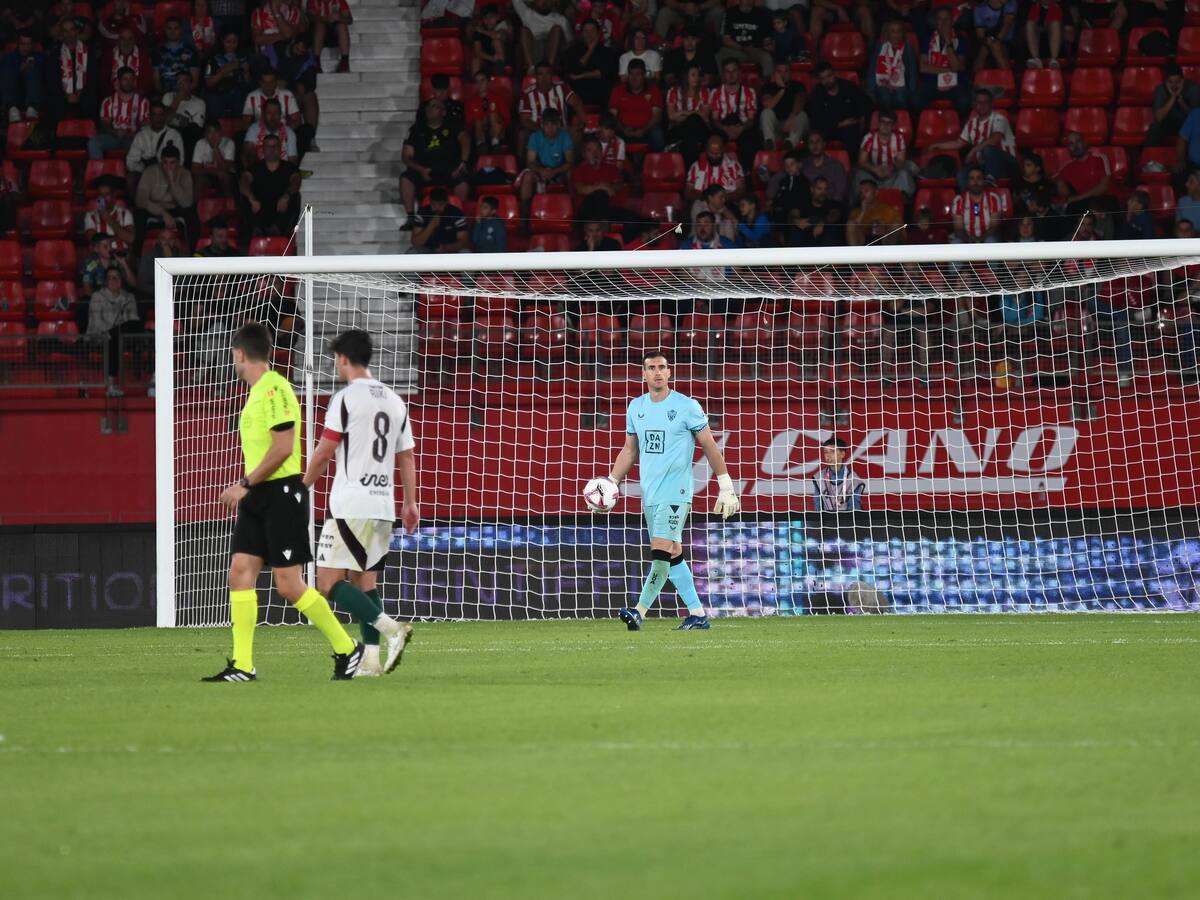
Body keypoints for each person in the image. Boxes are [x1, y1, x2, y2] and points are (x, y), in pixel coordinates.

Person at [204, 322, 365, 682]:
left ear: (240, 353)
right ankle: (243, 665)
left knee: (289, 585)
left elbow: (283, 448)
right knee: (240, 573)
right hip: (259, 494)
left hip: (280, 494)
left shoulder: (275, 388)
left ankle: (347, 648)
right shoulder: (257, 393)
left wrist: (244, 483)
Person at [302, 329, 417, 677]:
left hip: (351, 504)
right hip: (384, 505)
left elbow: (325, 451)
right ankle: (370, 661)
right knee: (365, 583)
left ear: (343, 359)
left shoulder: (345, 398)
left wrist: (301, 487)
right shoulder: (394, 400)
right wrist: (411, 503)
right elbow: (406, 456)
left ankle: (391, 629)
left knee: (326, 583)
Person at [598, 351, 740, 631]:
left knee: (660, 552)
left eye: (662, 367)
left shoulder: (687, 406)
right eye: (651, 368)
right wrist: (612, 481)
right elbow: (630, 450)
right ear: (643, 374)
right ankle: (698, 614)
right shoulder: (636, 407)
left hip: (676, 492)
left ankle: (639, 611)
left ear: (669, 372)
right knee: (673, 552)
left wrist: (725, 486)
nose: (658, 372)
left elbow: (709, 445)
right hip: (650, 494)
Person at [399, 97, 471, 227]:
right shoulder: (416, 129)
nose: (429, 109)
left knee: (462, 180)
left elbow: (465, 140)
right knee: (406, 178)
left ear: (443, 112)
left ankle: (458, 218)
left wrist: (463, 162)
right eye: (428, 106)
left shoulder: (452, 126)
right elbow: (406, 156)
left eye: (434, 106)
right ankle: (411, 218)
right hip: (424, 172)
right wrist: (420, 170)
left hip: (448, 171)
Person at [928, 89, 1016, 189]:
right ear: (974, 104)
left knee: (988, 149)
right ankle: (970, 198)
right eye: (979, 102)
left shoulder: (1000, 119)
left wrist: (973, 150)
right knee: (961, 175)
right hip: (982, 165)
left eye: (985, 102)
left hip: (1005, 163)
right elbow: (958, 143)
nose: (982, 105)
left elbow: (994, 139)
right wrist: (937, 145)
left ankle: (991, 179)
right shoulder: (971, 123)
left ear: (991, 104)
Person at [86, 265, 141, 394]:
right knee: (112, 340)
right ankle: (110, 386)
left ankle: (153, 380)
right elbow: (97, 322)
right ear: (106, 281)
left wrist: (116, 331)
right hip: (99, 336)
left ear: (121, 281)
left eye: (116, 278)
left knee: (135, 328)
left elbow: (132, 319)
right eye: (110, 278)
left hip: (122, 336)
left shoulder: (128, 297)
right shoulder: (97, 297)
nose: (113, 281)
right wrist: (110, 332)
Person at [517, 107, 574, 226]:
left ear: (559, 125)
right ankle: (524, 218)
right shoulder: (535, 137)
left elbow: (570, 162)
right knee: (527, 177)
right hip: (541, 170)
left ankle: (572, 213)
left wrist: (555, 171)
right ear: (542, 125)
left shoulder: (565, 137)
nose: (550, 128)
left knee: (571, 174)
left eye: (553, 124)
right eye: (547, 125)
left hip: (559, 171)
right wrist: (541, 170)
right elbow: (530, 162)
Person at [134, 145, 198, 247]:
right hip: (154, 208)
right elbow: (141, 200)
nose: (168, 167)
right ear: (161, 161)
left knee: (192, 214)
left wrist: (172, 182)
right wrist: (162, 212)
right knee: (139, 213)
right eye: (165, 163)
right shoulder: (150, 172)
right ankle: (138, 253)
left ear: (178, 162)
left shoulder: (185, 174)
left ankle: (192, 252)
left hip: (175, 208)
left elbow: (187, 203)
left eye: (172, 163)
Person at [1055, 131, 1117, 235]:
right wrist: (1060, 184)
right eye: (1071, 144)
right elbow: (1062, 191)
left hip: (1104, 200)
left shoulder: (1100, 158)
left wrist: (1078, 198)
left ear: (1084, 142)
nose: (1075, 146)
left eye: (1078, 141)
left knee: (1094, 204)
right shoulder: (1067, 167)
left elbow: (1104, 187)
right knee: (1069, 209)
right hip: (1083, 205)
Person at [239, 133, 302, 235]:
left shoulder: (289, 167)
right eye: (268, 146)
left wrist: (286, 196)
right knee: (244, 196)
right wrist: (251, 198)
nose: (271, 149)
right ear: (263, 149)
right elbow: (243, 181)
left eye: (275, 146)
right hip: (259, 209)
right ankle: (256, 230)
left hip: (280, 209)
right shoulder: (255, 168)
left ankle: (278, 229)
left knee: (295, 196)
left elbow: (296, 180)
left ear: (280, 149)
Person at [517, 61, 584, 156]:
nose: (544, 78)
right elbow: (524, 120)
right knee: (522, 134)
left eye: (547, 73)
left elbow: (577, 103)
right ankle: (522, 164)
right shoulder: (527, 94)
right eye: (540, 74)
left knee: (576, 133)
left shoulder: (561, 87)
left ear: (552, 75)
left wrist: (582, 121)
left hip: (561, 129)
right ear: (535, 76)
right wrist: (542, 130)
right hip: (537, 129)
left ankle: (574, 164)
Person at [806, 62, 868, 157]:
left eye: (829, 76)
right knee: (816, 134)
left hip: (848, 127)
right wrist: (840, 124)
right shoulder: (817, 93)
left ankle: (850, 162)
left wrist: (861, 121)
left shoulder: (848, 87)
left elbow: (861, 107)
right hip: (828, 128)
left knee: (852, 132)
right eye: (823, 78)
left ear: (835, 74)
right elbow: (818, 120)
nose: (827, 80)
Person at [45, 16, 100, 123]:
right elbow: (52, 82)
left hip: (85, 96)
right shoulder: (55, 55)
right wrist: (66, 96)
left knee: (92, 99)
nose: (69, 34)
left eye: (72, 30)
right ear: (62, 34)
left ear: (77, 31)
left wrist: (81, 93)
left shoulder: (89, 53)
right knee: (53, 102)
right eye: (65, 31)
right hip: (62, 98)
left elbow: (94, 79)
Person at [125, 100, 185, 194]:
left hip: (166, 173)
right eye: (155, 115)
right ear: (150, 117)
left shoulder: (174, 135)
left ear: (165, 116)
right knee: (130, 179)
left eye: (161, 114)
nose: (158, 118)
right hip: (144, 172)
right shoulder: (141, 135)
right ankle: (137, 203)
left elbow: (180, 161)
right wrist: (145, 169)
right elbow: (130, 161)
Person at [88, 66, 148, 160]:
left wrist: (130, 134)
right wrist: (115, 132)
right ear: (118, 82)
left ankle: (136, 168)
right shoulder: (108, 101)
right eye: (125, 79)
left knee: (145, 144)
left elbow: (145, 127)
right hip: (113, 137)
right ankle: (99, 169)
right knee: (93, 143)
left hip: (132, 138)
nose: (128, 82)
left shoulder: (142, 102)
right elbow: (104, 125)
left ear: (134, 81)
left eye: (131, 79)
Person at [855, 109, 917, 197]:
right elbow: (862, 161)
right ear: (878, 123)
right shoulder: (869, 137)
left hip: (892, 172)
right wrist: (875, 169)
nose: (885, 125)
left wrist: (892, 168)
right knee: (859, 174)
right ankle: (861, 202)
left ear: (893, 125)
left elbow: (900, 160)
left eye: (889, 123)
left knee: (904, 173)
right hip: (873, 172)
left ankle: (901, 201)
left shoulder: (899, 138)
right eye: (883, 122)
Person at [918, 6, 968, 113]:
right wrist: (949, 70)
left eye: (947, 19)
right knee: (916, 99)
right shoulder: (927, 38)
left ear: (952, 21)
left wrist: (948, 42)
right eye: (940, 19)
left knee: (964, 100)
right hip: (932, 81)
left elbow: (957, 67)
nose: (943, 23)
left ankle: (955, 121)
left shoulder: (961, 39)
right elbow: (923, 67)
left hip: (954, 83)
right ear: (935, 22)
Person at [711, 59, 760, 167]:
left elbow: (751, 120)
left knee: (751, 142)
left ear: (739, 72)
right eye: (727, 71)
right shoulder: (716, 93)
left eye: (734, 71)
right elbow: (715, 119)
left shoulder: (749, 92)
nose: (731, 75)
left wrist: (740, 129)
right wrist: (725, 128)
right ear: (723, 74)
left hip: (743, 127)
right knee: (713, 140)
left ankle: (746, 171)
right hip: (723, 127)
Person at [607, 58, 663, 151]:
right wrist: (622, 129)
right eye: (631, 74)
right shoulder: (618, 90)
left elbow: (657, 117)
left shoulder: (653, 90)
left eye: (638, 74)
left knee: (658, 135)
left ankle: (654, 159)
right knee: (609, 130)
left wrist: (644, 130)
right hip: (623, 129)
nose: (634, 78)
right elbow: (612, 116)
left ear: (644, 75)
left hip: (647, 129)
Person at [563, 18, 618, 109]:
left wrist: (581, 76)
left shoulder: (607, 52)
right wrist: (590, 51)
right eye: (586, 31)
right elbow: (574, 71)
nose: (589, 34)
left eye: (592, 31)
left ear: (598, 33)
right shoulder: (572, 51)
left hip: (601, 93)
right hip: (579, 94)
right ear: (581, 33)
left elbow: (605, 73)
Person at [666, 64, 715, 163]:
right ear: (685, 77)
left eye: (698, 75)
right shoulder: (673, 91)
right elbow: (671, 116)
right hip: (679, 129)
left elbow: (705, 115)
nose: (696, 78)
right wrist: (695, 113)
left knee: (694, 120)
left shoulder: (705, 92)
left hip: (700, 130)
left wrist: (683, 113)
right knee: (693, 121)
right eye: (693, 75)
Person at [866, 20, 916, 113]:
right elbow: (872, 68)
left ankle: (902, 120)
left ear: (902, 33)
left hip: (902, 85)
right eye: (893, 31)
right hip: (882, 84)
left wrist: (912, 91)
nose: (896, 35)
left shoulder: (908, 49)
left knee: (900, 98)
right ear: (888, 34)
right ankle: (886, 120)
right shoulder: (880, 47)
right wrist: (870, 90)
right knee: (885, 96)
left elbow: (912, 72)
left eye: (899, 31)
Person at [571, 135, 624, 222]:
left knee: (633, 218)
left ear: (602, 151)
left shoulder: (611, 168)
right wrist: (602, 187)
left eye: (597, 150)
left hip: (609, 209)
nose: (594, 154)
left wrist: (611, 187)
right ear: (584, 154)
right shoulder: (579, 170)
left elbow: (620, 186)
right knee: (599, 195)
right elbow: (580, 189)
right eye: (590, 150)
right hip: (586, 212)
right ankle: (603, 225)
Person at [685, 132, 747, 206]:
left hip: (728, 203)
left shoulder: (734, 166)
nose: (714, 157)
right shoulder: (697, 167)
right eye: (711, 153)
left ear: (723, 150)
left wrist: (721, 199)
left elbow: (741, 190)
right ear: (706, 150)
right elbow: (688, 192)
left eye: (717, 154)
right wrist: (707, 199)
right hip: (704, 204)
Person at [717, 0, 774, 76]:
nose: (748, 1)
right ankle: (721, 82)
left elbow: (766, 38)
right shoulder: (730, 12)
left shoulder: (760, 13)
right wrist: (742, 48)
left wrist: (768, 45)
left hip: (754, 50)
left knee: (766, 57)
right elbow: (725, 40)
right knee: (718, 56)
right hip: (735, 49)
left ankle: (769, 83)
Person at [205, 30, 252, 120]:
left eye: (234, 42)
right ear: (223, 41)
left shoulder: (242, 57)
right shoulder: (213, 58)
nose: (231, 45)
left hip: (237, 94)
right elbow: (208, 83)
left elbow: (248, 83)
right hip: (218, 94)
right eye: (228, 42)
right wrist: (224, 71)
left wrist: (246, 72)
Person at [512, 0, 570, 72]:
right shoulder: (527, 14)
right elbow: (516, 1)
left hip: (553, 50)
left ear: (553, 2)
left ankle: (549, 69)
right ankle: (532, 69)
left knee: (556, 29)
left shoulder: (561, 19)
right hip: (533, 48)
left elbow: (569, 42)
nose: (544, 2)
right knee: (524, 31)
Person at [759, 65, 808, 151]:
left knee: (802, 115)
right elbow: (768, 105)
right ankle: (770, 144)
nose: (783, 75)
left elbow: (800, 101)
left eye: (786, 71)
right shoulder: (768, 87)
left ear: (790, 73)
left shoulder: (797, 85)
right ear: (774, 74)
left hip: (794, 125)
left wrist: (793, 116)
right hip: (776, 127)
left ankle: (789, 144)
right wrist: (782, 89)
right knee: (766, 112)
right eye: (779, 72)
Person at [951, 166, 1005, 243]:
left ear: (984, 181)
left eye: (979, 178)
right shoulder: (959, 200)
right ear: (967, 182)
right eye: (972, 178)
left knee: (991, 240)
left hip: (988, 237)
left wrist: (980, 240)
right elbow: (959, 228)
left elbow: (994, 226)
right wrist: (970, 240)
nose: (975, 182)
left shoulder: (993, 198)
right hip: (966, 238)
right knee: (955, 242)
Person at [1152, 64, 1200, 148]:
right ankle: (1151, 154)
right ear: (1166, 82)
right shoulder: (1160, 89)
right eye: (1170, 82)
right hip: (1168, 124)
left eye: (1177, 82)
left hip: (1186, 123)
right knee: (1155, 128)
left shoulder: (1193, 88)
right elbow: (1158, 117)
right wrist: (1173, 98)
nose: (1174, 86)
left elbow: (1196, 118)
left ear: (1182, 81)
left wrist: (1182, 103)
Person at [1, 30, 44, 122]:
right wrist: (19, 69)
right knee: (8, 69)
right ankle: (12, 108)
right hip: (15, 94)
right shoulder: (9, 58)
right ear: (17, 44)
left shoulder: (39, 57)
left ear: (33, 45)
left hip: (35, 94)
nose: (25, 47)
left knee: (32, 68)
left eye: (28, 44)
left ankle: (32, 107)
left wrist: (31, 67)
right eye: (22, 44)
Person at [812, 437, 864, 512]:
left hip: (848, 518)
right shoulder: (819, 477)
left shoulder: (854, 479)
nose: (828, 455)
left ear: (842, 454)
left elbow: (855, 509)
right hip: (826, 518)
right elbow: (818, 509)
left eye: (832, 451)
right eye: (826, 452)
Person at [83, 175, 136, 249]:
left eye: (107, 194)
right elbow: (94, 241)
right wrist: (120, 237)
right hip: (100, 255)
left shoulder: (125, 213)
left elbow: (131, 238)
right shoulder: (90, 216)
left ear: (114, 195)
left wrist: (109, 219)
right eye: (100, 195)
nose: (103, 198)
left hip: (121, 253)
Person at [411, 186, 469, 253]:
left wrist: (447, 248)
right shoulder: (422, 213)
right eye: (433, 204)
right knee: (412, 251)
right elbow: (416, 243)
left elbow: (463, 241)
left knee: (465, 251)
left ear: (447, 202)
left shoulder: (456, 213)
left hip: (451, 250)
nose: (437, 208)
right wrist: (431, 226)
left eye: (441, 204)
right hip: (428, 249)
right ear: (430, 202)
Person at [243, 96, 298, 165]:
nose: (273, 116)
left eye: (276, 113)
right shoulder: (254, 129)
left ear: (280, 114)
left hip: (282, 169)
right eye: (269, 112)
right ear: (263, 114)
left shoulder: (289, 132)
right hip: (259, 168)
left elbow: (292, 160)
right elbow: (247, 155)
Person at [163, 70, 206, 159]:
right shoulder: (168, 96)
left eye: (184, 81)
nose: (181, 85)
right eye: (178, 81)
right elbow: (163, 119)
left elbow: (196, 128)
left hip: (187, 137)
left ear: (190, 85)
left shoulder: (199, 103)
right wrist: (177, 100)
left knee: (191, 131)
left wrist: (173, 119)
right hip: (168, 132)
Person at [846, 179, 903, 245]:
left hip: (885, 241)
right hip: (863, 242)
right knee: (851, 223)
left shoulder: (888, 210)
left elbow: (899, 229)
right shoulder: (856, 212)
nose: (863, 194)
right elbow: (853, 230)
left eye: (866, 191)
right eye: (861, 192)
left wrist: (885, 229)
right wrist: (863, 211)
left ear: (876, 192)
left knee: (896, 225)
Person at [153, 17, 200, 94]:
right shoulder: (158, 52)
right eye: (169, 28)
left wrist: (181, 96)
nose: (172, 31)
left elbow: (194, 82)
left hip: (185, 95)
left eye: (176, 28)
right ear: (165, 30)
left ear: (181, 30)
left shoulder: (191, 52)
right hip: (164, 95)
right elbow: (156, 81)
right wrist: (165, 97)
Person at [193, 120, 238, 198]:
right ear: (205, 134)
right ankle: (196, 205)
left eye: (215, 132)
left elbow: (225, 168)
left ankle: (230, 202)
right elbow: (194, 169)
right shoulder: (200, 143)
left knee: (225, 176)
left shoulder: (229, 143)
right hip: (208, 175)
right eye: (209, 132)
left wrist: (216, 149)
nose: (213, 135)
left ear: (220, 133)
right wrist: (213, 171)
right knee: (199, 179)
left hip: (225, 175)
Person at [662, 25, 717, 89]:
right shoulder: (672, 55)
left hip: (701, 91)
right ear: (682, 39)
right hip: (678, 90)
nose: (689, 42)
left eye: (693, 39)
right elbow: (669, 79)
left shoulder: (707, 56)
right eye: (686, 38)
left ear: (698, 40)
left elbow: (709, 80)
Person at [801, 130, 848, 203]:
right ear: (808, 146)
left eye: (818, 141)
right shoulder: (802, 166)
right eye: (811, 142)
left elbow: (840, 193)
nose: (815, 145)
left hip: (831, 204)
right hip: (807, 206)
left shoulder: (836, 166)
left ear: (824, 144)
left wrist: (832, 206)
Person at [309, 0, 353, 73]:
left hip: (336, 35)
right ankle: (316, 61)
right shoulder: (313, 1)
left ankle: (344, 61)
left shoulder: (339, 1)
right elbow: (310, 17)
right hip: (318, 34)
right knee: (320, 25)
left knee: (341, 25)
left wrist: (340, 18)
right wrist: (324, 18)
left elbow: (350, 20)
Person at [767, 150, 810, 222]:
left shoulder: (803, 182)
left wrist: (781, 207)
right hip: (781, 211)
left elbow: (801, 202)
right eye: (786, 165)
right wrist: (772, 203)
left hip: (794, 213)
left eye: (792, 164)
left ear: (799, 165)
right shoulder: (784, 180)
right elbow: (779, 195)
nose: (789, 167)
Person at [972, 0, 1016, 71]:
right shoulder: (980, 8)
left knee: (1000, 50)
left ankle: (1007, 76)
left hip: (1005, 40)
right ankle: (976, 76)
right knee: (983, 51)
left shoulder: (1011, 2)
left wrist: (998, 40)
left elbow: (1007, 23)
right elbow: (980, 34)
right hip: (988, 39)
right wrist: (987, 41)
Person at [470, 5, 509, 77]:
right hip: (488, 59)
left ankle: (500, 70)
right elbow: (478, 52)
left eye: (491, 17)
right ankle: (476, 83)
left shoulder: (502, 25)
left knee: (496, 41)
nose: (488, 21)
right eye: (485, 18)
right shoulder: (479, 31)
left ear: (497, 17)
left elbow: (498, 35)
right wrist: (492, 59)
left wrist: (482, 31)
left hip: (504, 59)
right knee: (475, 61)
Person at [655, 0, 725, 40]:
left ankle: (722, 42)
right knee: (664, 12)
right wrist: (682, 6)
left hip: (705, 11)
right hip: (681, 12)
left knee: (719, 11)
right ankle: (658, 45)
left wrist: (700, 7)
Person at [1012, 151, 1053, 217]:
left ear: (1037, 168)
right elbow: (1015, 201)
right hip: (1024, 216)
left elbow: (1049, 201)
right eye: (1024, 165)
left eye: (1028, 165)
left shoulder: (1046, 183)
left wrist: (1040, 208)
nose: (1025, 168)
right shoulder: (1018, 182)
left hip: (1043, 215)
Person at [1024, 0, 1063, 69]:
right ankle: (1036, 59)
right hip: (1037, 30)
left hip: (1052, 29)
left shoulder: (1057, 7)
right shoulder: (1033, 7)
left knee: (1055, 24)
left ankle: (1054, 59)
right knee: (1029, 24)